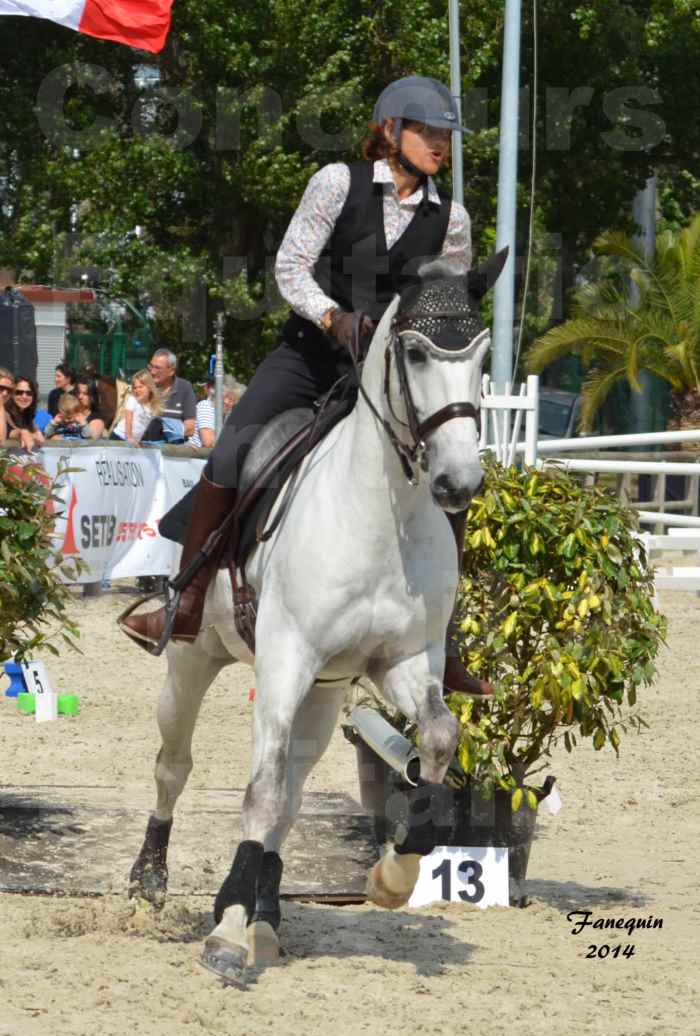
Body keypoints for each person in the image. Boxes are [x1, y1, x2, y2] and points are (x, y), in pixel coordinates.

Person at [121, 75, 491, 695]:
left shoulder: (450, 220)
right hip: (310, 358)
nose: (440, 144)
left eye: (446, 135)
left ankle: (441, 639)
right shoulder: (336, 183)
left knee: (451, 477)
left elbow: (445, 304)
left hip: (392, 379)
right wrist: (332, 316)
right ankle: (182, 602)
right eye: (428, 131)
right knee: (233, 450)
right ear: (391, 131)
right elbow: (290, 265)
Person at [146, 349, 196, 443]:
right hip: (143, 451)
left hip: (172, 452)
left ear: (171, 371)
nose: (152, 372)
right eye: (151, 366)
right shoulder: (143, 386)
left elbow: (190, 428)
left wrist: (166, 429)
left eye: (157, 368)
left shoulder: (184, 388)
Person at [189, 374, 241, 449]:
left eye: (231, 398)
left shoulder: (228, 413)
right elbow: (209, 442)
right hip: (199, 458)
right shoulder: (206, 406)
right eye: (224, 397)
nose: (227, 401)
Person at [111, 369, 162, 443]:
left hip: (135, 440)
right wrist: (129, 437)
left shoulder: (152, 406)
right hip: (120, 437)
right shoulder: (133, 400)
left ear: (149, 388)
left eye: (140, 387)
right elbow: (129, 420)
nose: (137, 390)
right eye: (135, 387)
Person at [7, 376, 45, 451]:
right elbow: (8, 432)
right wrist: (21, 432)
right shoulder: (4, 411)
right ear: (12, 394)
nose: (24, 396)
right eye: (19, 392)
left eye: (29, 393)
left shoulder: (28, 414)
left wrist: (36, 432)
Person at [0, 367, 14, 442]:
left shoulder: (6, 414)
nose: (5, 393)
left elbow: (11, 433)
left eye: (9, 390)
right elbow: (1, 440)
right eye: (1, 388)